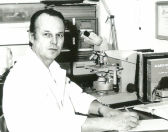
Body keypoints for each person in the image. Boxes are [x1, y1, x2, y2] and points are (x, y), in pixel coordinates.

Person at [3, 9, 139, 132]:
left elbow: (75, 96)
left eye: (59, 35)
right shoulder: (23, 76)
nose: (54, 41)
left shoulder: (52, 68)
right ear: (32, 37)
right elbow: (53, 124)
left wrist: (104, 109)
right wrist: (109, 123)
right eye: (47, 34)